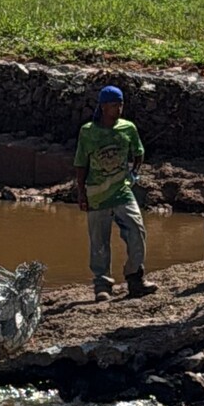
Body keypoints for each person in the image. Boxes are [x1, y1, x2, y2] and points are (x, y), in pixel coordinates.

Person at [74, 85, 158, 302]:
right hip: (97, 194)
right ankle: (102, 285)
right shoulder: (88, 132)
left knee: (137, 231)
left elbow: (138, 153)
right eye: (114, 105)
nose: (118, 109)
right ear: (103, 107)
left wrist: (134, 174)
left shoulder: (127, 128)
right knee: (99, 241)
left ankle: (135, 278)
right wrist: (81, 193)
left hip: (122, 191)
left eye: (120, 104)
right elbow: (81, 164)